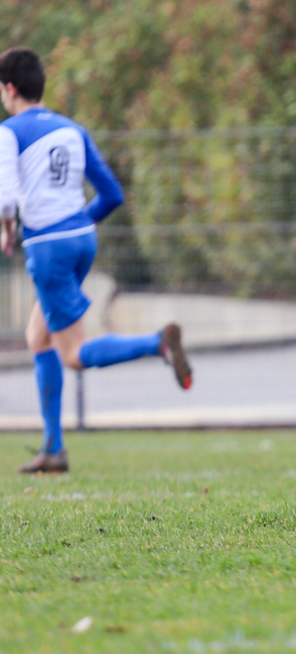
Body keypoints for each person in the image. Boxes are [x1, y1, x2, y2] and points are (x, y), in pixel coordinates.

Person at [0, 47, 192, 474]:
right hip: (82, 240)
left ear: (9, 89)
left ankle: (157, 342)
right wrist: (76, 223)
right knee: (38, 337)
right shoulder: (72, 129)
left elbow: (6, 199)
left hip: (48, 246)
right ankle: (53, 448)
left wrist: (8, 231)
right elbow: (112, 194)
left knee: (73, 352)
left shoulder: (9, 132)